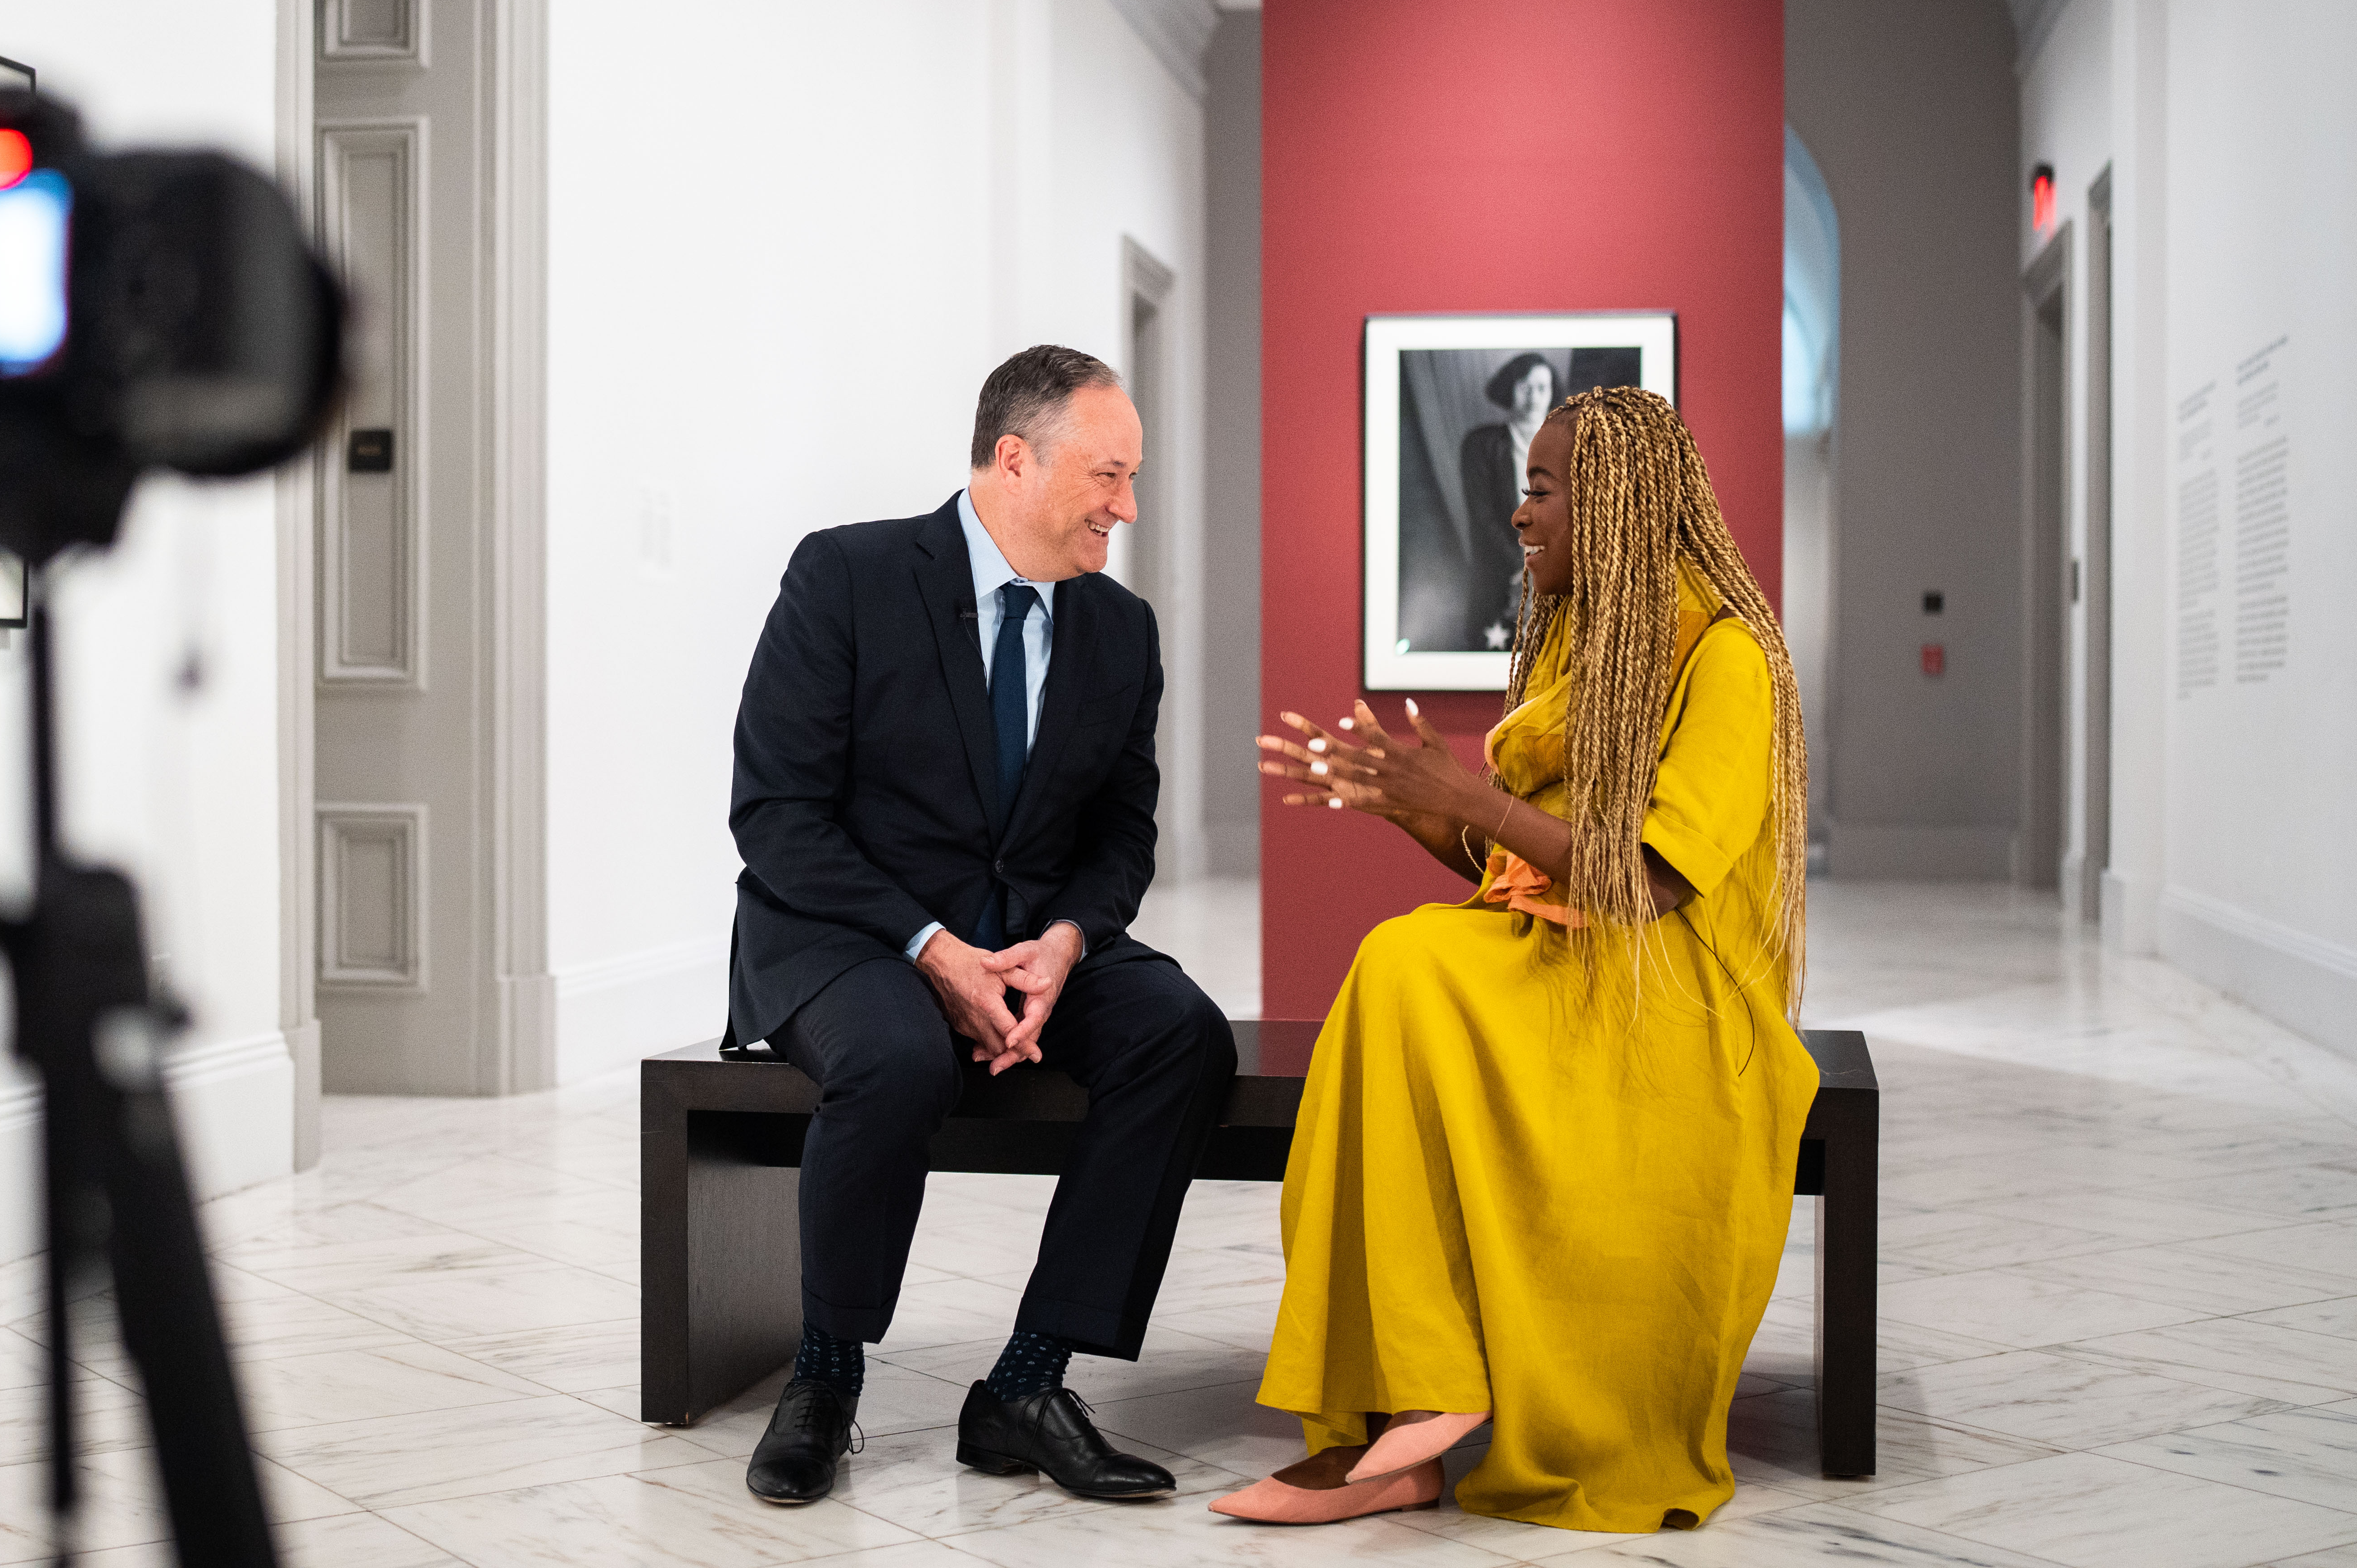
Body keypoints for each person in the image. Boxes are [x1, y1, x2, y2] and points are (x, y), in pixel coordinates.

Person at [1212, 384, 1814, 1535]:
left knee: (1406, 966)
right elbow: (1531, 878)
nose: (1520, 513)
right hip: (1576, 963)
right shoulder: (1589, 644)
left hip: (1677, 996)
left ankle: (1420, 1396)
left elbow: (1645, 880)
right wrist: (1421, 808)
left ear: (1618, 506)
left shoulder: (1732, 659)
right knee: (1401, 973)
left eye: (1541, 490)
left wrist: (1465, 795)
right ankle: (1402, 1409)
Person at [727, 344, 1238, 1509]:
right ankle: (826, 1374)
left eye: (1134, 477)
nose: (1129, 506)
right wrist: (932, 949)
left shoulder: (1120, 630)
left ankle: (1026, 1383)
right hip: (846, 932)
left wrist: (1067, 940)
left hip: (1032, 941)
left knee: (1180, 1035)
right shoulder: (847, 576)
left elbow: (1123, 836)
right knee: (900, 1059)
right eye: (1109, 475)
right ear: (1017, 459)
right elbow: (775, 813)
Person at [1456, 352, 1552, 650]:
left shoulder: (1569, 447)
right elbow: (1481, 517)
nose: (1534, 397)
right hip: (1503, 573)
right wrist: (1522, 567)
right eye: (1525, 387)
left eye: (1542, 388)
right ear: (1509, 389)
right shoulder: (1481, 445)